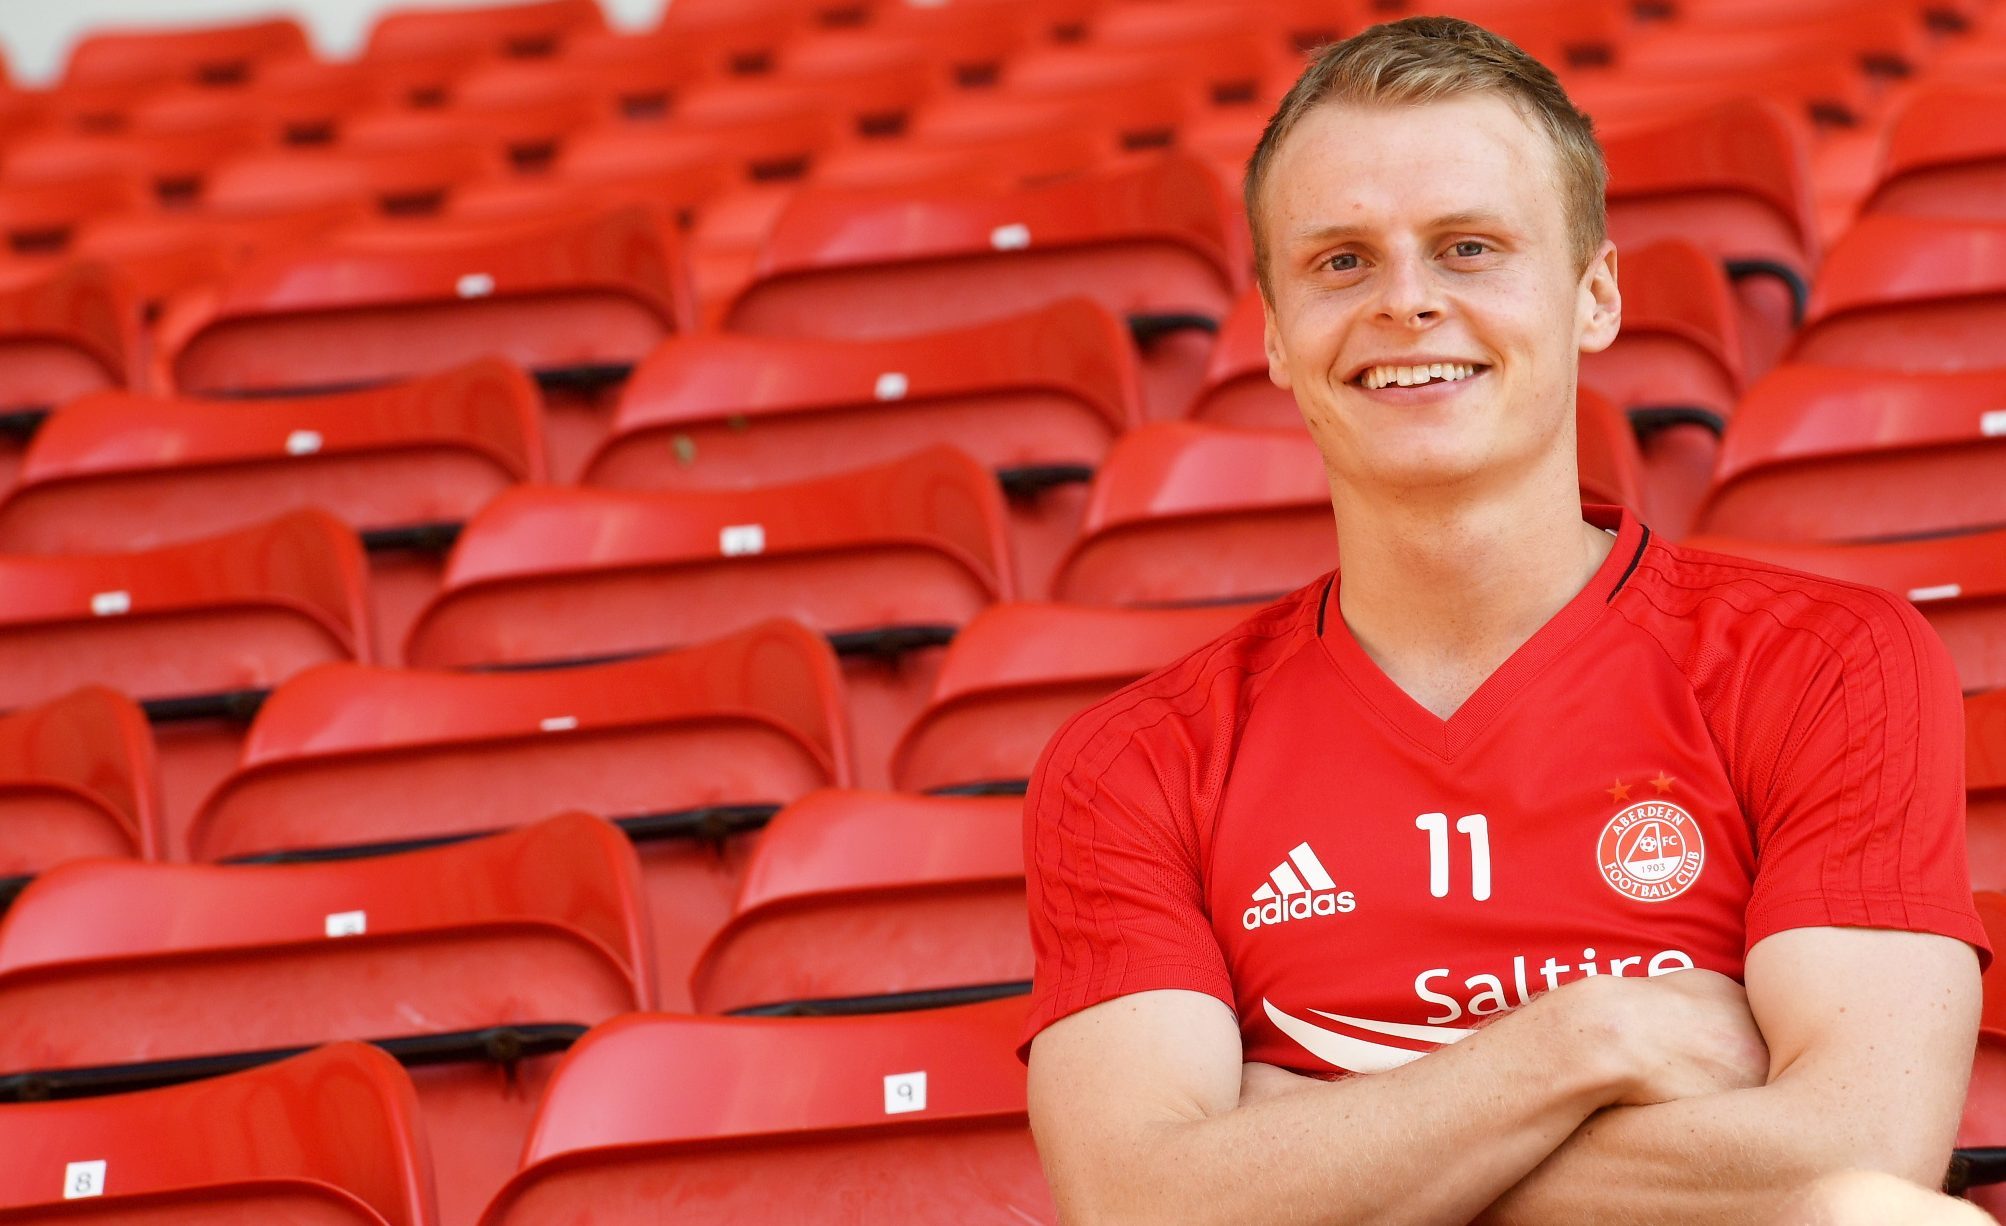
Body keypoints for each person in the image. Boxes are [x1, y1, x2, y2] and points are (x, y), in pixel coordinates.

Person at [1019, 16, 1989, 1225]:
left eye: (1468, 247)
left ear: (1593, 294)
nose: (1406, 302)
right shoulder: (1130, 765)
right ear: (1271, 333)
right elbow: (1144, 1207)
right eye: (1339, 261)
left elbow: (1854, 1149)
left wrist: (1300, 1142)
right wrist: (1587, 1040)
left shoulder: (1827, 662)